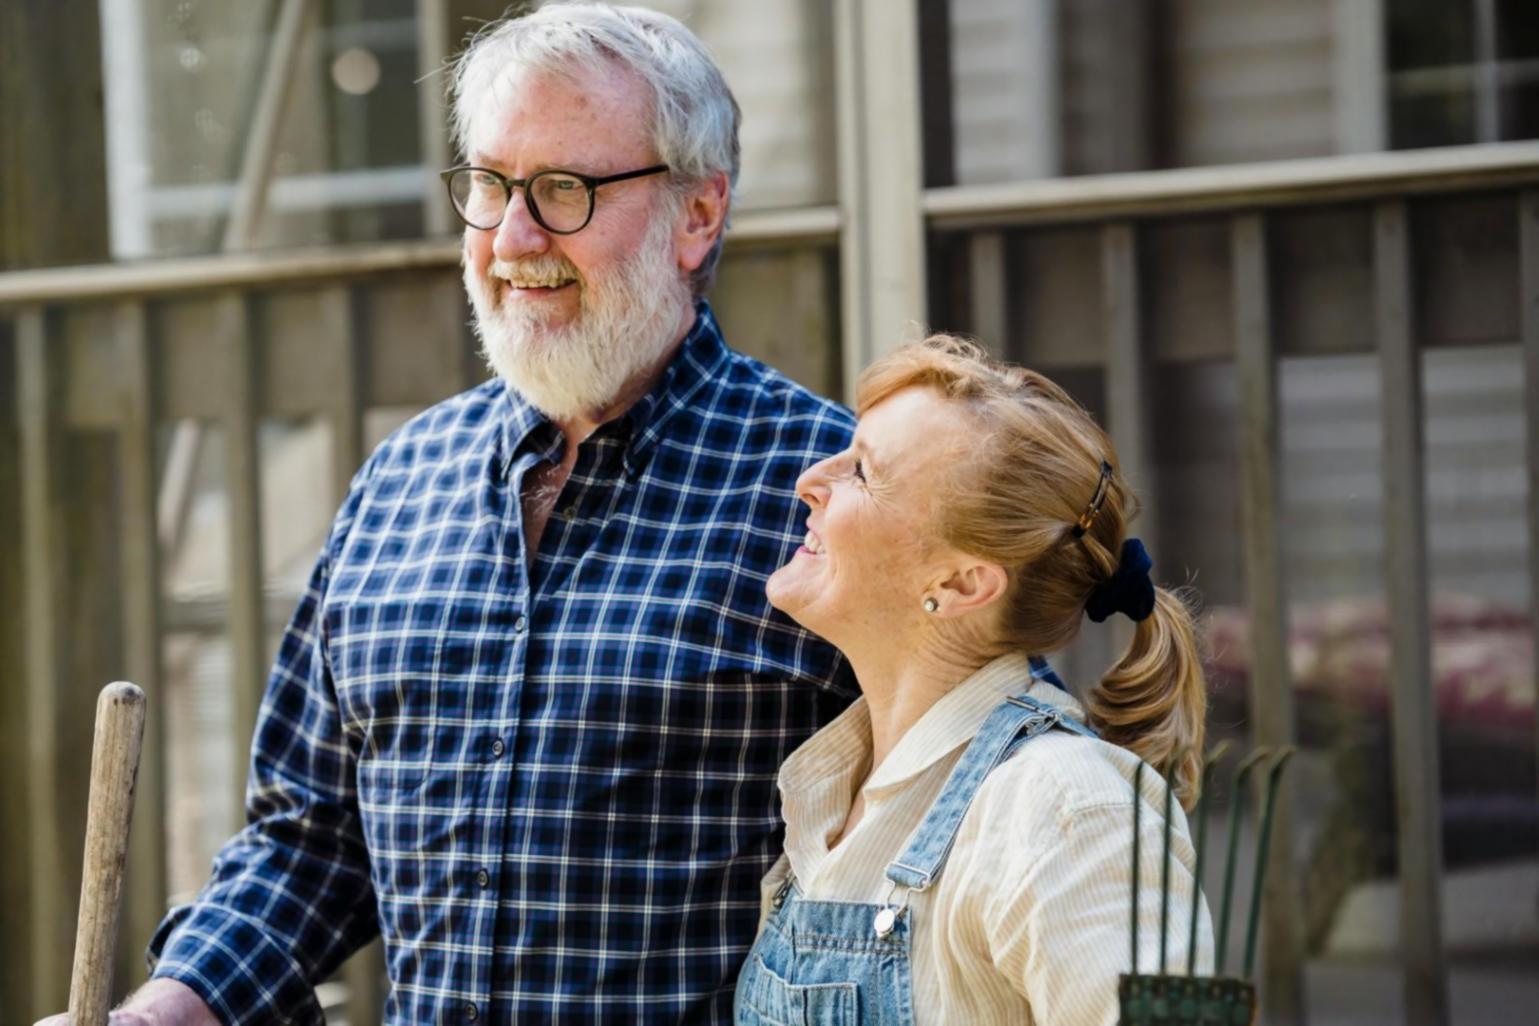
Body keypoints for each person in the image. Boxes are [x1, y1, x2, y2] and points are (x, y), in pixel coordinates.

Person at [37, 4, 857, 1024]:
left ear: (697, 215)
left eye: (564, 190)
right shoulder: (402, 481)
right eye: (489, 185)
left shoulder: (827, 489)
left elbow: (977, 796)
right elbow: (309, 840)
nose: (512, 239)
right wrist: (162, 1013)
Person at [735, 335, 1214, 1026]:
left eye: (862, 472)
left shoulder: (1065, 806)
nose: (809, 478)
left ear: (960, 583)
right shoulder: (837, 795)